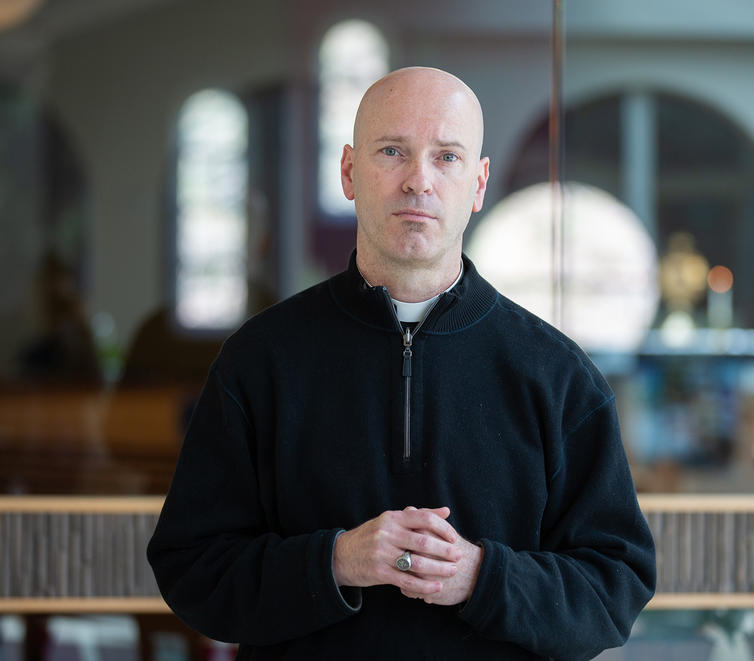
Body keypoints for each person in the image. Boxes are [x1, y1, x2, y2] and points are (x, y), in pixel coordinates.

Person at [147, 66, 655, 660]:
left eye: (447, 157)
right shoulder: (260, 360)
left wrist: (480, 577)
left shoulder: (558, 375)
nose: (419, 181)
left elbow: (614, 589)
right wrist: (334, 562)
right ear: (348, 171)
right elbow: (192, 569)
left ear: (480, 182)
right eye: (393, 151)